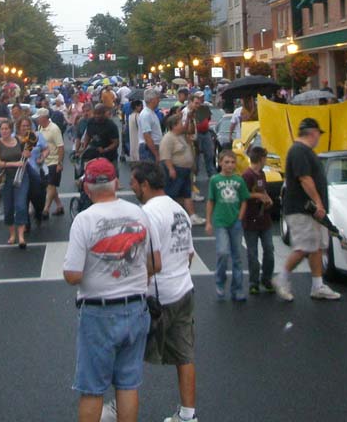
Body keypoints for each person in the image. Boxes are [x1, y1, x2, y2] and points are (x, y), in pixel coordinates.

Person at [63, 158, 159, 422]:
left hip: (99, 312)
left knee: (92, 389)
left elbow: (73, 275)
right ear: (116, 183)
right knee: (128, 385)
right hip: (137, 308)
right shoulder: (140, 213)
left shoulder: (84, 220)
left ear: (86, 187)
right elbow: (152, 262)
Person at [130, 161, 199, 422]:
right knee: (185, 354)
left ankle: (121, 407)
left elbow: (150, 261)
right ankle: (188, 414)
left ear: (145, 185)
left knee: (128, 353)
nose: (131, 187)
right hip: (184, 290)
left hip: (157, 297)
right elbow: (189, 253)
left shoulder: (146, 213)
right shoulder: (178, 209)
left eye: (134, 183)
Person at [275, 118, 341, 302]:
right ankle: (282, 278)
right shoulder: (298, 151)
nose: (319, 138)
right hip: (301, 209)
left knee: (317, 247)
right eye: (318, 134)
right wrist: (318, 203)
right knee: (304, 247)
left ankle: (317, 285)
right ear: (312, 133)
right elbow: (305, 178)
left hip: (309, 210)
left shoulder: (305, 151)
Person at [206, 150, 249, 302]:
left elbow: (244, 199)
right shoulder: (215, 180)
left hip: (235, 222)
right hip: (220, 221)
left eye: (232, 162)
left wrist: (240, 217)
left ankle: (237, 289)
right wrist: (209, 221)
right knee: (223, 252)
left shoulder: (239, 180)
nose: (230, 165)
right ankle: (220, 280)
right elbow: (211, 201)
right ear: (220, 163)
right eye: (226, 162)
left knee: (237, 257)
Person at [242, 145, 275, 295]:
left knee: (269, 249)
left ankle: (266, 278)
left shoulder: (262, 174)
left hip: (264, 218)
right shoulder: (247, 175)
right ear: (261, 159)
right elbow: (244, 194)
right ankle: (253, 282)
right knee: (252, 253)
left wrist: (267, 198)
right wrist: (258, 196)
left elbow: (263, 190)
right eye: (265, 158)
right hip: (251, 219)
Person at [160, 115, 204, 226]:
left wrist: (189, 118)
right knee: (173, 194)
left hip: (185, 170)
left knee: (187, 194)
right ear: (174, 126)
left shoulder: (181, 136)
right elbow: (165, 156)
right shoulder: (168, 138)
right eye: (180, 123)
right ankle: (169, 216)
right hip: (176, 169)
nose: (182, 125)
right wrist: (171, 169)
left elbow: (189, 131)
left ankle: (192, 216)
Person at [0, 119, 31, 248]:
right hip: (6, 177)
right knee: (8, 208)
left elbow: (24, 158)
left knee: (20, 205)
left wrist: (26, 156)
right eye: (2, 129)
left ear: (11, 130)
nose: (4, 131)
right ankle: (12, 234)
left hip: (20, 176)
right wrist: (14, 164)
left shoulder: (19, 141)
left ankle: (21, 236)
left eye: (6, 129)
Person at [35, 107, 66, 218]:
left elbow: (61, 147)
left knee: (51, 185)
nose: (37, 120)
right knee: (50, 185)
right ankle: (59, 205)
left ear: (44, 118)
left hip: (54, 160)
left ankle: (46, 209)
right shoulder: (40, 128)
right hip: (44, 161)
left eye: (38, 118)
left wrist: (60, 163)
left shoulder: (54, 129)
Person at [138, 90, 163, 163]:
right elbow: (147, 136)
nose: (159, 101)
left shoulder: (151, 113)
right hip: (148, 149)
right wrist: (156, 154)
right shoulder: (146, 114)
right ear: (152, 100)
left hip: (151, 148)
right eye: (157, 98)